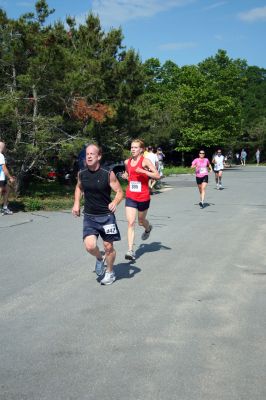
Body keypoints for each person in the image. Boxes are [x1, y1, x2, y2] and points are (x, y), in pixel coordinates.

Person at [72, 143, 123, 285]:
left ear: (98, 156)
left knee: (109, 246)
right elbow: (78, 187)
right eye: (87, 154)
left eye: (92, 154)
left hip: (107, 217)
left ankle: (110, 272)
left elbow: (119, 192)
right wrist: (76, 203)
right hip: (90, 216)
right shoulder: (82, 173)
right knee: (89, 246)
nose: (88, 156)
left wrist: (115, 202)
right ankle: (100, 258)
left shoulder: (108, 173)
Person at [122, 139, 160, 260]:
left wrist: (143, 170)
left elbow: (157, 176)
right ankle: (130, 250)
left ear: (141, 149)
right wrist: (125, 176)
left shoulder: (146, 161)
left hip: (143, 196)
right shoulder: (127, 162)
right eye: (132, 147)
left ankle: (148, 228)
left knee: (141, 221)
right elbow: (129, 175)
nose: (133, 149)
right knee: (131, 222)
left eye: (135, 147)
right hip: (131, 196)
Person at [0, 141, 15, 215]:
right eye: (4, 147)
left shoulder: (3, 155)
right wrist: (10, 177)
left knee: (7, 190)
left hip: (3, 177)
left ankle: (5, 207)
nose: (5, 148)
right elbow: (4, 168)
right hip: (1, 178)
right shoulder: (1, 156)